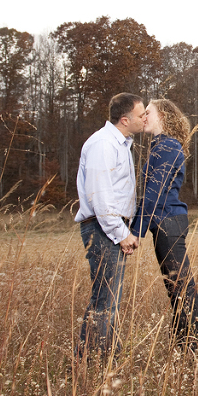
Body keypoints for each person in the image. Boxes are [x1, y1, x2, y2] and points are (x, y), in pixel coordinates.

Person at [74, 92, 146, 362]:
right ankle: (95, 361)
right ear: (125, 120)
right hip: (103, 229)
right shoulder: (103, 145)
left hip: (110, 228)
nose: (145, 119)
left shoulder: (121, 144)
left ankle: (95, 359)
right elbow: (100, 197)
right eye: (141, 115)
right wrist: (121, 233)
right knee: (105, 301)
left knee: (107, 299)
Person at [130, 99, 198, 349]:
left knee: (182, 289)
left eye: (147, 112)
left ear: (162, 115)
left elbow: (154, 192)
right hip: (165, 223)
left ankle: (194, 348)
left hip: (168, 224)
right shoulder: (160, 146)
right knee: (177, 290)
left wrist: (135, 232)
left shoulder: (168, 146)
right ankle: (183, 346)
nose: (143, 117)